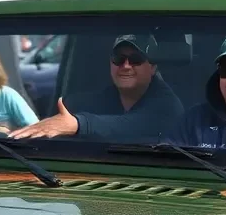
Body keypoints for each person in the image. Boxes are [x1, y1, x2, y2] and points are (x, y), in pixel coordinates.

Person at [11, 34, 183, 141]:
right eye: (118, 58)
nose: (126, 66)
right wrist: (12, 134)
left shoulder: (168, 106)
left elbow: (132, 125)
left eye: (136, 59)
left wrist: (77, 125)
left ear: (153, 67)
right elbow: (56, 124)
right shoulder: (89, 101)